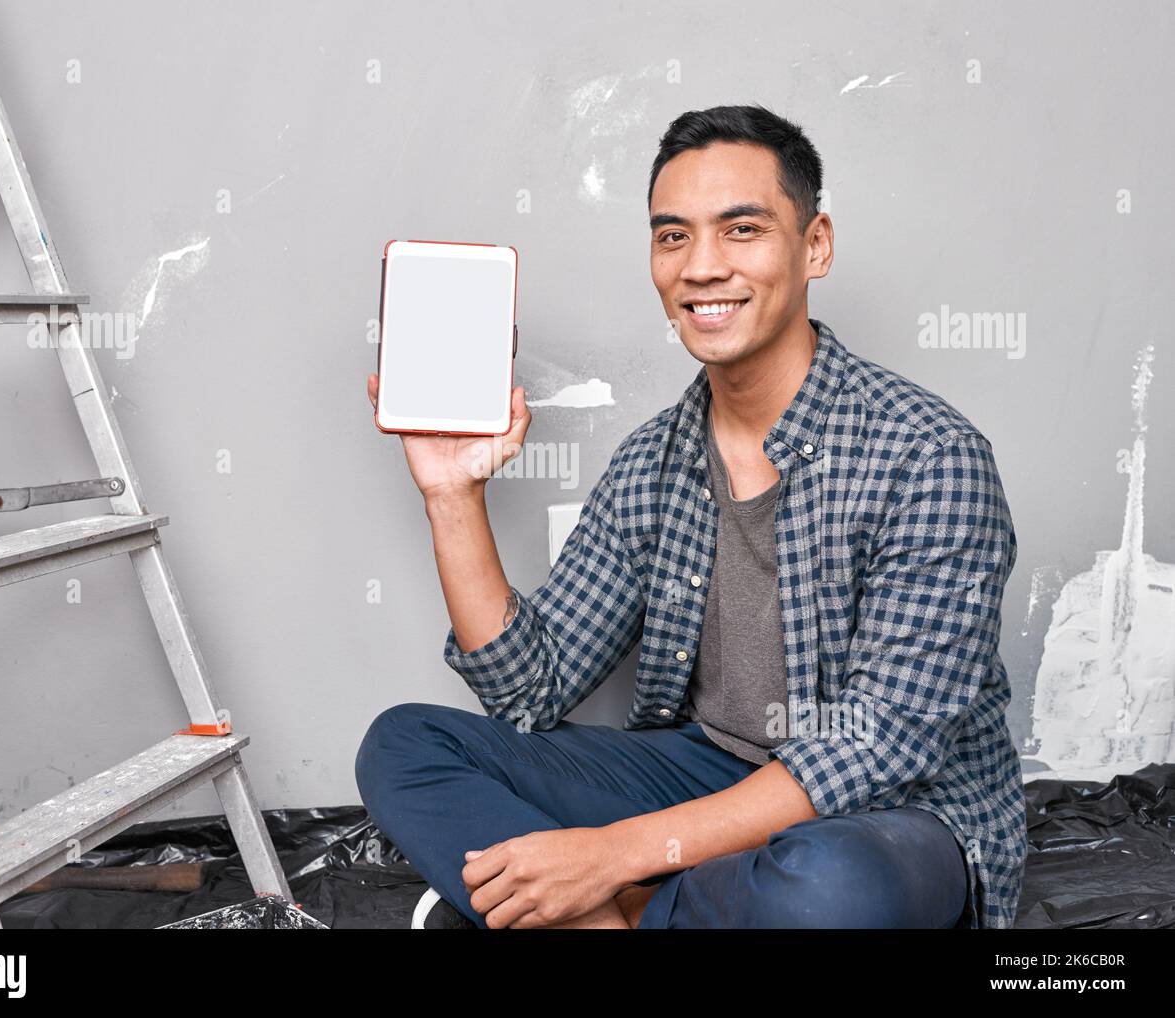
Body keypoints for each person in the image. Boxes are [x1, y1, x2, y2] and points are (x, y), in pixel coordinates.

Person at [357, 104, 1026, 929]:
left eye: (741, 230)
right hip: (708, 774)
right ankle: (616, 913)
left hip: (889, 813)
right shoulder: (655, 460)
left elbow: (882, 743)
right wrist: (452, 495)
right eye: (672, 237)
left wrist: (613, 855)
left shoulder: (929, 452)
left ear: (814, 244)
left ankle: (583, 903)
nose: (701, 267)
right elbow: (531, 690)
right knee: (404, 744)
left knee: (832, 887)